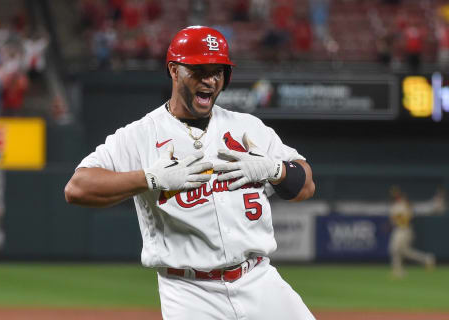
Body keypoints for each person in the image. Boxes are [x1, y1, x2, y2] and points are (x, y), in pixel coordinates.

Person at [65, 26, 316, 320]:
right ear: (174, 70)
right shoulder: (142, 135)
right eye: (200, 70)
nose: (210, 80)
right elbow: (77, 188)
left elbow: (307, 185)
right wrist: (149, 178)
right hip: (189, 292)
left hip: (259, 280)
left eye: (218, 71)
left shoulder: (249, 128)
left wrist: (276, 170)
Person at [388, 186, 435, 278]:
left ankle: (398, 271)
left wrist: (398, 218)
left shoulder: (404, 204)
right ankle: (427, 259)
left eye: (396, 194)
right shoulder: (396, 205)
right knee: (405, 251)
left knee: (395, 249)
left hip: (404, 229)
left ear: (399, 195)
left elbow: (407, 218)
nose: (395, 196)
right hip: (399, 229)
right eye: (394, 195)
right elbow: (394, 219)